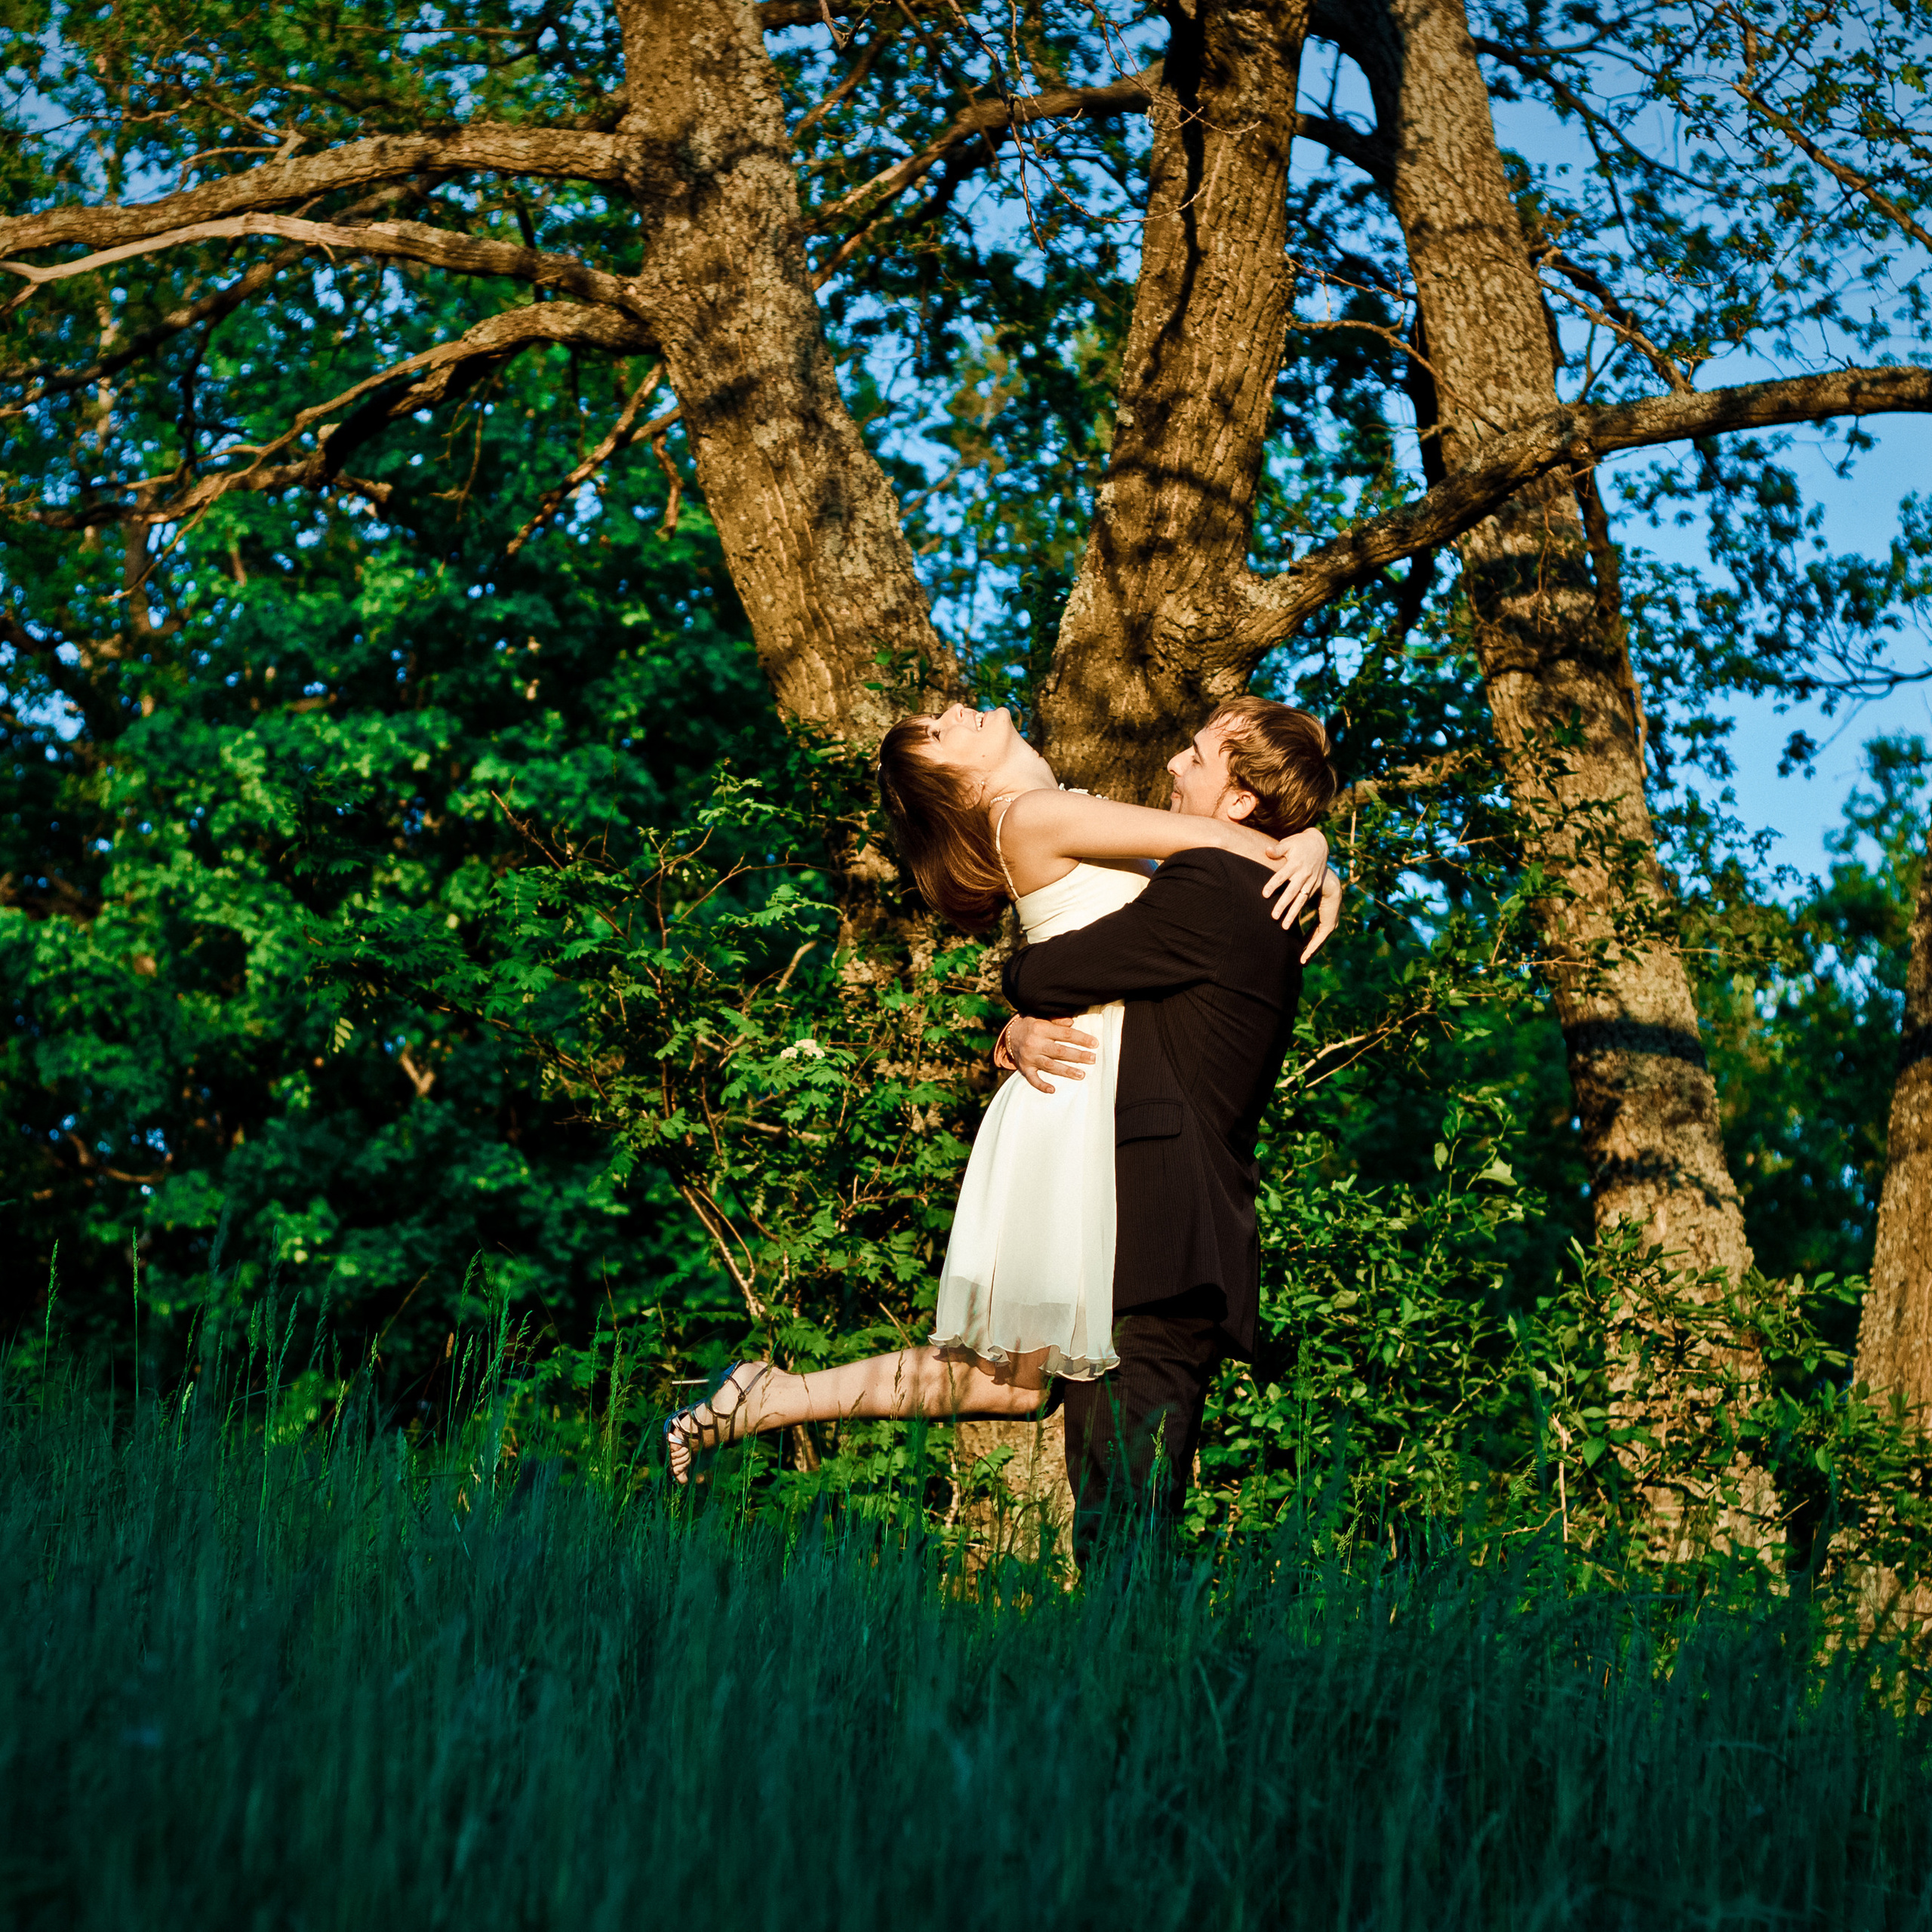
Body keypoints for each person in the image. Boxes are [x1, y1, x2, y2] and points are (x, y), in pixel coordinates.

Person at [660, 700, 1339, 1489]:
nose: (952, 710)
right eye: (941, 734)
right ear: (967, 784)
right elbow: (1218, 836)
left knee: (1003, 1383)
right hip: (1075, 1096)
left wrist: (1309, 843)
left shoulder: (1069, 810)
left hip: (1075, 1084)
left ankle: (776, 1394)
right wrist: (1314, 852)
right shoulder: (1030, 812)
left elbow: (1205, 855)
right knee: (1035, 1377)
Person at [996, 695, 1340, 1561]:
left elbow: (1048, 973)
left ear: (1238, 804)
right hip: (1171, 1245)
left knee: (1122, 1527)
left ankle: (1136, 1693)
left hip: (1156, 1246)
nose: (1172, 768)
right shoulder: (1253, 886)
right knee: (1127, 1517)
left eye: (1195, 757)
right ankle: (1135, 1685)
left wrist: (1017, 995)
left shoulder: (1214, 886)